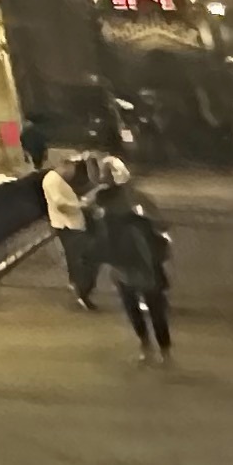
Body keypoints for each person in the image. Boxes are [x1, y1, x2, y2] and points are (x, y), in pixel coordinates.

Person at [89, 164, 175, 361]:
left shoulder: (104, 207)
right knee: (154, 308)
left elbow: (97, 238)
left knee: (133, 307)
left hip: (124, 266)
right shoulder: (136, 204)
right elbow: (161, 226)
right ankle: (163, 350)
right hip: (143, 266)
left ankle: (147, 346)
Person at [41, 145, 99, 310]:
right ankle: (83, 292)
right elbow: (60, 204)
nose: (74, 170)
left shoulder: (59, 180)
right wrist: (81, 205)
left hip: (71, 224)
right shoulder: (52, 180)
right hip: (67, 225)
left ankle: (77, 285)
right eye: (73, 166)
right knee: (82, 259)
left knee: (76, 258)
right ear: (65, 165)